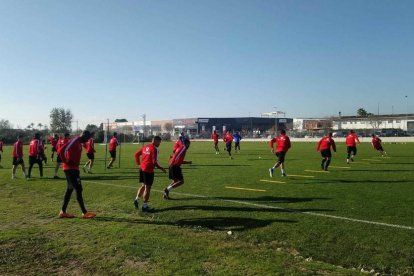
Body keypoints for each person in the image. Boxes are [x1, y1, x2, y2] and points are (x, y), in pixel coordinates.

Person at [58, 130, 96, 219]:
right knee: (78, 189)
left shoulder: (79, 142)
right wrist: (65, 161)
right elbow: (61, 150)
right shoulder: (75, 141)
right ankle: (84, 213)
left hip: (74, 169)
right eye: (87, 139)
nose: (87, 141)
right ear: (83, 137)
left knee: (70, 189)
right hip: (70, 169)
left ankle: (62, 212)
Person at [133, 136, 166, 212]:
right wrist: (161, 168)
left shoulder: (145, 146)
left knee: (143, 185)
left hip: (142, 169)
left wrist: (139, 164)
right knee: (148, 188)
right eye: (159, 142)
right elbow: (154, 162)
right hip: (148, 171)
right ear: (155, 141)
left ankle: (136, 200)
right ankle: (145, 206)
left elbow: (136, 154)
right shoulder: (154, 149)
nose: (159, 144)